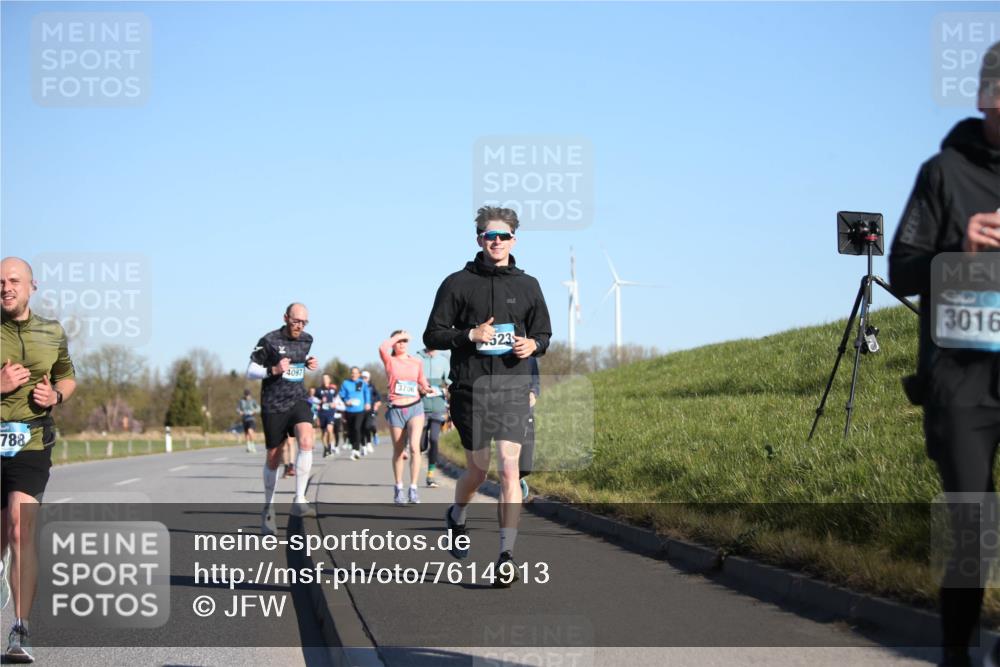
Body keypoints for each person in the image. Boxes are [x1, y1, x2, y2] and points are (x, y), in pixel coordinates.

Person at [888, 42, 1000, 667]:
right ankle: (955, 651)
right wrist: (960, 244)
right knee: (970, 522)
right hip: (962, 380)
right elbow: (902, 268)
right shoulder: (943, 173)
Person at [423, 206, 551, 587]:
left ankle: (506, 555)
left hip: (512, 388)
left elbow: (543, 335)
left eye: (504, 235)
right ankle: (457, 514)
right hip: (471, 389)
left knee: (509, 469)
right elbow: (432, 335)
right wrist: (469, 336)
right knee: (478, 470)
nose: (496, 242)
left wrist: (533, 345)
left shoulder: (529, 286)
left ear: (515, 238)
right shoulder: (457, 283)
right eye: (489, 235)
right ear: (478, 238)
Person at [1, 257, 77, 663]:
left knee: (19, 527)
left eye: (14, 280)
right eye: (0, 281)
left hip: (30, 441)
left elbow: (68, 375)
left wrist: (57, 396)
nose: (6, 287)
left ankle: (20, 630)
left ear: (33, 286)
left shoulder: (52, 331)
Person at [246, 302, 320, 534]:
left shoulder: (307, 339)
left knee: (307, 440)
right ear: (286, 318)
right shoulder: (269, 341)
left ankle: (299, 499)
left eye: (304, 322)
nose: (300, 326)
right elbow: (250, 370)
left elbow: (296, 365)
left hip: (297, 399)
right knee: (273, 457)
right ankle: (268, 508)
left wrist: (306, 364)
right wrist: (274, 370)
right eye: (296, 321)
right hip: (273, 404)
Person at [380, 330, 431, 504]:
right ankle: (398, 487)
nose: (402, 344)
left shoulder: (416, 361)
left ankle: (414, 488)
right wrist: (396, 336)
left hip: (415, 407)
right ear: (393, 343)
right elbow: (382, 347)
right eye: (399, 341)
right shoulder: (390, 361)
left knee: (415, 448)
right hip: (396, 409)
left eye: (404, 341)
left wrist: (426, 388)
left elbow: (421, 380)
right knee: (399, 451)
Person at [417, 347, 450, 488]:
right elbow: (411, 379)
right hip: (420, 406)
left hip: (438, 406)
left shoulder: (443, 360)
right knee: (421, 445)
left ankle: (430, 475)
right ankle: (415, 470)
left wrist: (446, 389)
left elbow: (450, 381)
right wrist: (419, 388)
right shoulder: (416, 358)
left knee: (434, 440)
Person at [520, 356, 540, 502]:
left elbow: (536, 381)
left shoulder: (530, 357)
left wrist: (533, 392)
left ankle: (518, 478)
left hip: (527, 411)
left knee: (526, 466)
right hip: (506, 413)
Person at [338, 367, 370, 461]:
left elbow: (366, 393)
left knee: (357, 428)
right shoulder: (345, 383)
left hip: (360, 410)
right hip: (349, 410)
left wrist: (367, 403)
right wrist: (345, 401)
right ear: (350, 374)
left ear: (359, 374)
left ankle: (356, 450)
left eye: (356, 373)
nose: (354, 374)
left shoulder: (362, 382)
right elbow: (341, 394)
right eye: (352, 373)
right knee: (351, 430)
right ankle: (353, 447)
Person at [317, 375, 339, 457]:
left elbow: (337, 399)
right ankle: (325, 448)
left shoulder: (333, 389)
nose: (325, 380)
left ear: (329, 380)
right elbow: (313, 400)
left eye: (326, 378)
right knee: (324, 433)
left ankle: (330, 446)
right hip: (322, 413)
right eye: (323, 379)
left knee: (330, 430)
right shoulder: (318, 390)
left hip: (330, 413)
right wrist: (320, 401)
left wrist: (335, 403)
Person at [362, 370, 382, 455]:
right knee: (363, 428)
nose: (364, 379)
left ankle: (374, 435)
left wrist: (377, 403)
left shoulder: (371, 386)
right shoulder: (359, 386)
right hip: (361, 410)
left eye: (365, 378)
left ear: (369, 378)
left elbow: (378, 397)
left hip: (371, 410)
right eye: (362, 377)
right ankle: (365, 445)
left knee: (370, 425)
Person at [237, 389, 260, 454]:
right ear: (244, 395)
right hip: (244, 419)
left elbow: (258, 408)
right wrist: (240, 412)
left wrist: (254, 411)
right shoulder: (241, 401)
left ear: (250, 395)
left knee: (250, 432)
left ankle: (253, 446)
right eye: (246, 395)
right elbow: (238, 409)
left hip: (251, 419)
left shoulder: (253, 401)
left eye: (248, 395)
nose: (247, 396)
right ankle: (248, 447)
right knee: (246, 433)